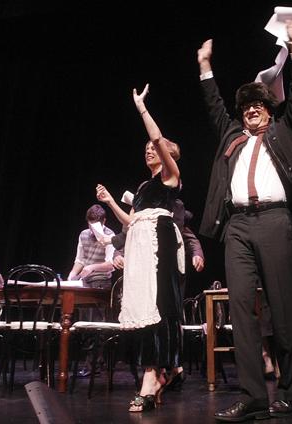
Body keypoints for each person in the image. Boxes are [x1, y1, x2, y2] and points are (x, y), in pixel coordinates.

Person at [197, 19, 292, 421]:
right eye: (246, 107)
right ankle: (254, 396)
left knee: (282, 309)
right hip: (237, 225)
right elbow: (213, 106)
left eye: (258, 105)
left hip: (275, 220)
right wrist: (205, 67)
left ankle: (290, 393)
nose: (252, 110)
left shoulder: (283, 130)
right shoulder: (231, 136)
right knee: (240, 310)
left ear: (268, 109)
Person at [96, 83, 184, 413]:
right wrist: (108, 202)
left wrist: (142, 110)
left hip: (158, 244)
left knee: (158, 304)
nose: (149, 150)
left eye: (155, 148)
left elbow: (159, 140)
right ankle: (163, 371)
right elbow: (131, 221)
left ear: (168, 156)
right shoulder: (145, 186)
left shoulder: (170, 178)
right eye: (145, 148)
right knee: (143, 305)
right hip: (139, 245)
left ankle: (153, 375)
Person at [107, 198, 205, 390]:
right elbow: (128, 232)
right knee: (150, 319)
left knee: (168, 318)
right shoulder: (143, 215)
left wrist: (197, 254)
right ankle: (158, 372)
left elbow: (189, 237)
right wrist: (117, 254)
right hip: (146, 272)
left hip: (168, 272)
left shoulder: (171, 216)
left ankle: (172, 367)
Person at [67, 204, 116, 377]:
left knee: (96, 324)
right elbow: (80, 259)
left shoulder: (110, 236)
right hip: (84, 283)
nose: (92, 229)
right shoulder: (83, 235)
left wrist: (94, 267)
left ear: (104, 221)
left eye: (96, 225)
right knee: (84, 324)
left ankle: (93, 364)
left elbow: (111, 264)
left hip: (101, 283)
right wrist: (72, 275)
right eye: (90, 225)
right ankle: (94, 362)